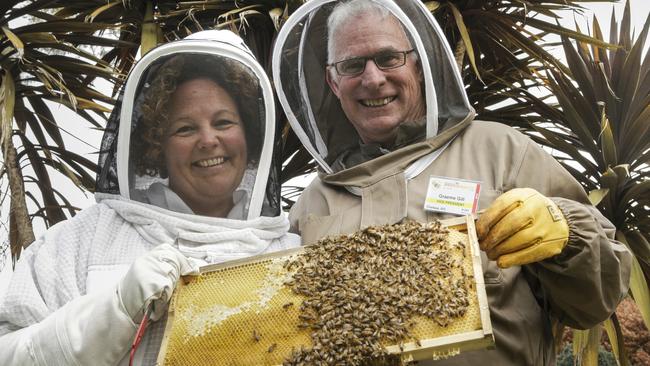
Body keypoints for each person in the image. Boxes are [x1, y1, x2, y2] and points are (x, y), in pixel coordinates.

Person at [272, 0, 631, 364]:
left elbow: (596, 299)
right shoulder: (313, 203)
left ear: (419, 64)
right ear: (333, 82)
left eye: (388, 57)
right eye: (352, 65)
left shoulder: (501, 150)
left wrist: (568, 235)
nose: (373, 78)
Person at [0, 30, 300, 365]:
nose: (208, 140)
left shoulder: (289, 251)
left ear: (251, 135)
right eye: (185, 128)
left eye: (224, 122)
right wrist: (116, 308)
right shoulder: (80, 241)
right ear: (157, 145)